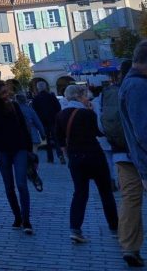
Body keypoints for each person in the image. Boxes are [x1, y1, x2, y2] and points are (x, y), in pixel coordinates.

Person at [55, 84, 118, 244]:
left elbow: (60, 140)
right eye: (85, 96)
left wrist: (67, 155)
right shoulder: (87, 114)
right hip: (94, 155)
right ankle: (115, 227)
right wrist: (95, 110)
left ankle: (75, 229)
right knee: (105, 192)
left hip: (75, 158)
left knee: (80, 193)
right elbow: (100, 131)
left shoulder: (61, 115)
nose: (87, 98)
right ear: (79, 96)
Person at [0, 79, 33, 234]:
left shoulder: (14, 106)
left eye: (7, 91)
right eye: (3, 92)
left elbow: (24, 129)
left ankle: (26, 220)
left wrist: (30, 151)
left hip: (20, 148)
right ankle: (17, 216)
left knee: (22, 184)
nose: (7, 94)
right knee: (9, 186)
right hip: (2, 150)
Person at [120, 41, 147, 267]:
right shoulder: (138, 86)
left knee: (130, 201)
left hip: (124, 155)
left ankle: (129, 246)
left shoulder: (126, 84)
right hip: (141, 159)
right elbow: (144, 131)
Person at [32, 80, 65, 164]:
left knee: (46, 141)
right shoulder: (51, 96)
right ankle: (60, 155)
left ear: (38, 88)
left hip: (42, 123)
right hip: (53, 121)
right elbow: (58, 107)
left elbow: (34, 112)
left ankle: (50, 158)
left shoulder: (36, 99)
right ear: (46, 87)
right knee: (56, 139)